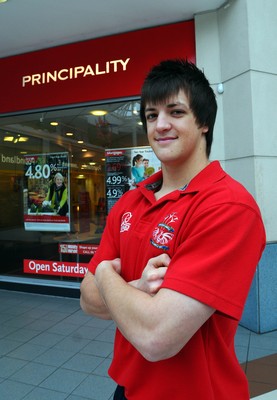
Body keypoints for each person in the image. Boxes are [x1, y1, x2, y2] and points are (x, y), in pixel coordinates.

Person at [80, 59, 266, 400]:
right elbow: (87, 300)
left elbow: (157, 336)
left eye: (175, 112)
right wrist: (137, 286)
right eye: (151, 115)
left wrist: (107, 274)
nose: (160, 125)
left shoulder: (227, 207)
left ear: (204, 122)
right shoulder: (130, 203)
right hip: (126, 388)